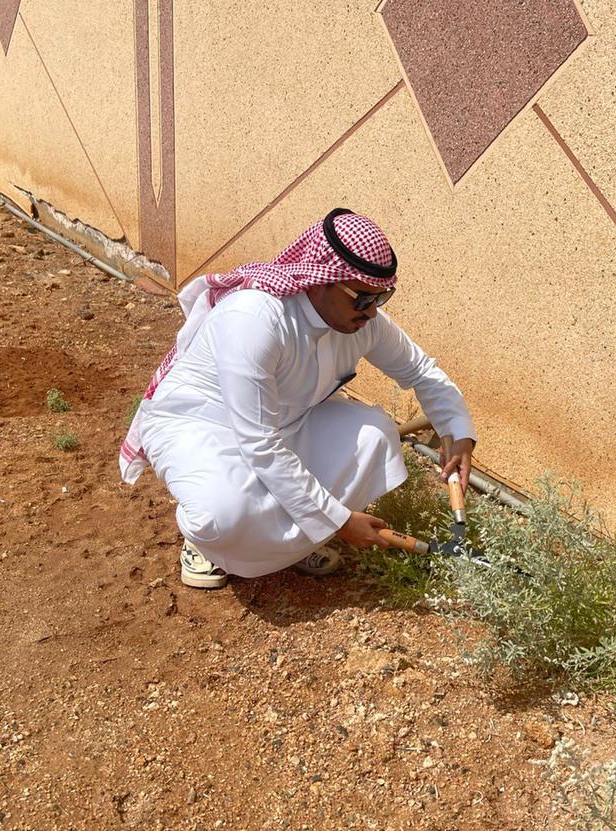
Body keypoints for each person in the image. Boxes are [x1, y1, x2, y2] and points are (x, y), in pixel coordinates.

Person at [119, 208, 476, 589]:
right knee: (221, 513)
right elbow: (259, 444)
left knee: (373, 435)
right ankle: (206, 546)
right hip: (200, 426)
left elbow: (421, 370)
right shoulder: (255, 320)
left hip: (280, 425)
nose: (372, 312)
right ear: (322, 282)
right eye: (363, 299)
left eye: (382, 297)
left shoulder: (361, 323)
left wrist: (458, 432)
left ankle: (298, 536)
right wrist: (339, 521)